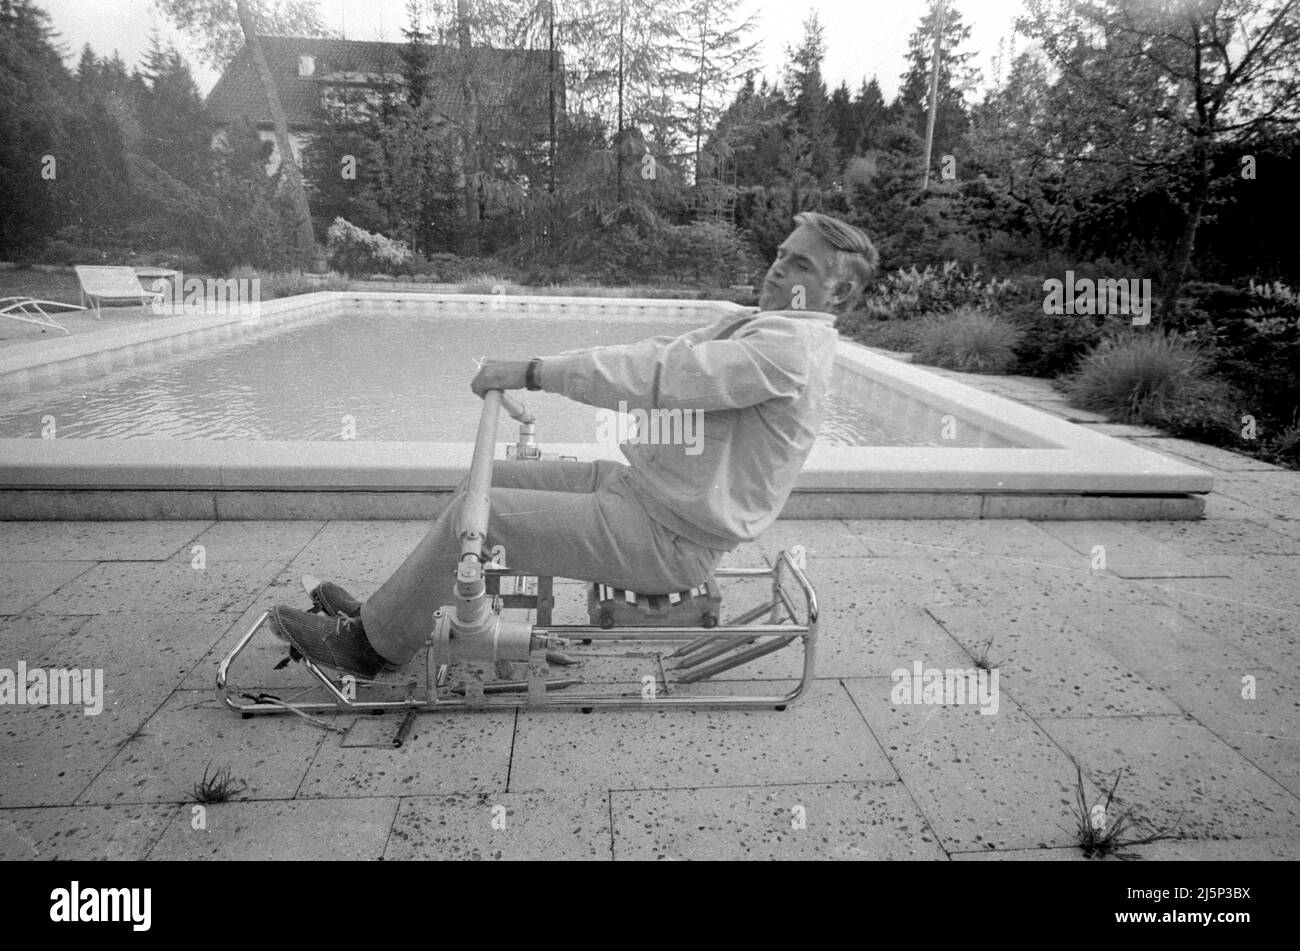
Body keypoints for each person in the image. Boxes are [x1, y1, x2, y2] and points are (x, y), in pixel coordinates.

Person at [267, 211, 879, 677]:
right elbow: (663, 356)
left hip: (670, 536)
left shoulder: (788, 349)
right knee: (485, 488)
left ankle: (369, 650)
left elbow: (657, 377)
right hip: (641, 493)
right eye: (781, 253)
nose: (778, 267)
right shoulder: (766, 328)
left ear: (840, 294)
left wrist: (536, 371)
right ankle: (388, 615)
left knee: (485, 517)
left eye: (801, 265)